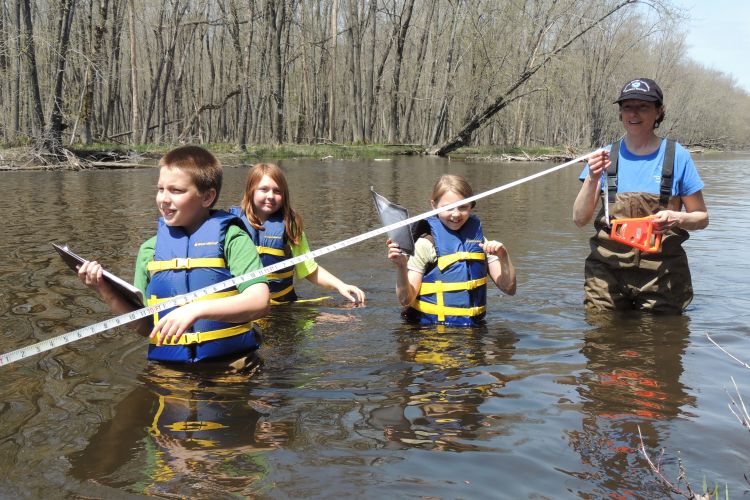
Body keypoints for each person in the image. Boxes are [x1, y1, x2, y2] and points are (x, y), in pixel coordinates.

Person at [78, 145, 270, 364]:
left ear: (207, 197)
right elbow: (145, 326)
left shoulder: (233, 239)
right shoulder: (149, 250)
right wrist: (106, 292)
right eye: (161, 189)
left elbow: (259, 301)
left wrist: (197, 310)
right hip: (171, 370)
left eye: (176, 191)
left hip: (232, 364)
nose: (164, 199)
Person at [572, 78, 709, 313]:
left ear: (659, 111)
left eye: (643, 106)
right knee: (601, 340)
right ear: (620, 112)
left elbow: (702, 217)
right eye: (627, 107)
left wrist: (678, 218)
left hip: (663, 275)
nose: (633, 114)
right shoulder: (604, 156)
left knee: (660, 343)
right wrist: (594, 177)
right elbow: (579, 219)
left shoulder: (678, 156)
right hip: (607, 273)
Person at [386, 174, 516, 326]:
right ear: (434, 206)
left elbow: (509, 289)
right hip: (429, 331)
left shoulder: (481, 243)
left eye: (463, 207)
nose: (456, 214)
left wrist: (503, 256)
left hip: (473, 330)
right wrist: (402, 266)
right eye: (448, 208)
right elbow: (405, 300)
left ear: (471, 206)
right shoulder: (425, 244)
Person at [230, 162, 366, 304]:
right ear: (251, 190)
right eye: (263, 189)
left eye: (277, 191)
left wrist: (340, 285)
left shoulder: (290, 225)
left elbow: (308, 268)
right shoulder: (232, 224)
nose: (270, 196)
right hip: (244, 306)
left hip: (282, 306)